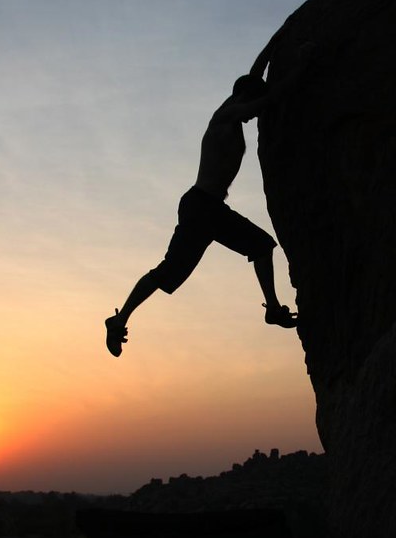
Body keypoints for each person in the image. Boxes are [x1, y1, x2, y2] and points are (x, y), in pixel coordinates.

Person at [105, 37, 313, 357]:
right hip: (200, 207)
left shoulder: (234, 104)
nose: (252, 118)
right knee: (168, 273)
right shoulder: (228, 116)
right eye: (249, 105)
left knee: (261, 246)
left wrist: (278, 39)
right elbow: (266, 101)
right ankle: (118, 320)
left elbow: (254, 75)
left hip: (212, 208)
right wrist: (305, 65)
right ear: (242, 97)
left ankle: (272, 309)